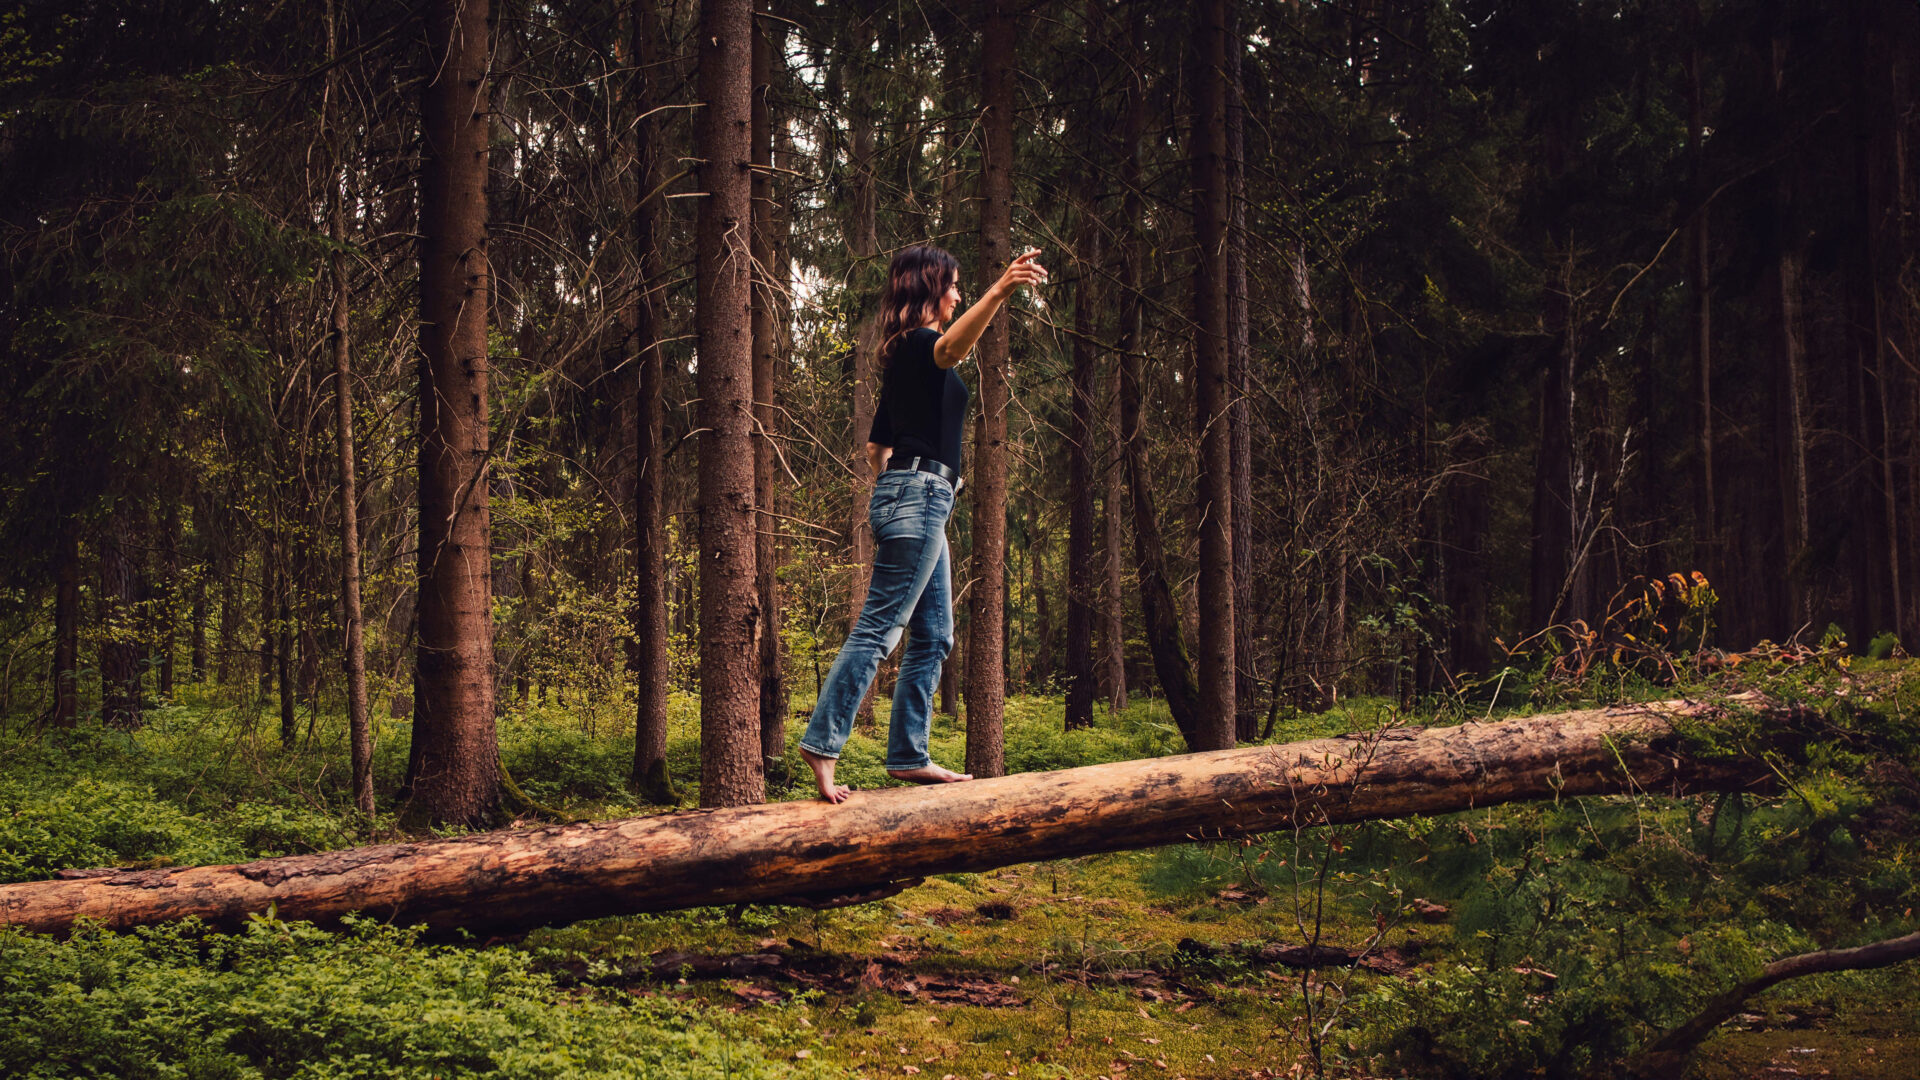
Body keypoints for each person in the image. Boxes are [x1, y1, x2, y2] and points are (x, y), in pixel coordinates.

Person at [798, 243, 1049, 803]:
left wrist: (897, 484)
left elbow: (875, 446)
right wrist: (1002, 290)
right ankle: (822, 743)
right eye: (954, 285)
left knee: (934, 635)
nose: (959, 294)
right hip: (920, 495)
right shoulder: (919, 344)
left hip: (915, 495)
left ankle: (909, 755)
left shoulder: (903, 357)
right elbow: (952, 351)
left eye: (964, 287)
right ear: (930, 287)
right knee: (880, 629)